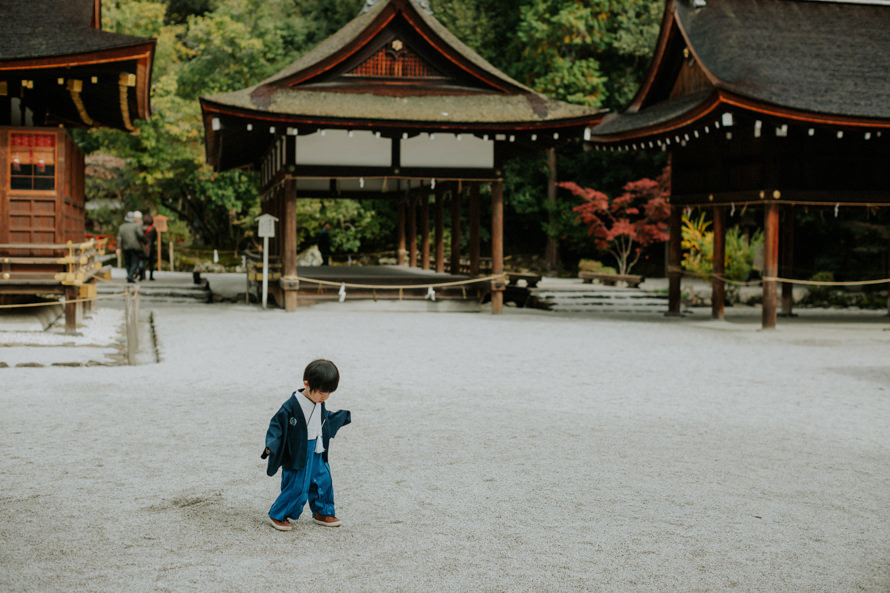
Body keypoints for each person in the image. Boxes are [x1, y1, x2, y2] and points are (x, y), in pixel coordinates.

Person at [262, 359, 351, 531]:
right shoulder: (291, 407)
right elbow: (277, 425)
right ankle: (278, 514)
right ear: (307, 384)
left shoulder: (319, 402)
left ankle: (323, 511)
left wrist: (339, 418)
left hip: (317, 446)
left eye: (328, 394)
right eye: (321, 393)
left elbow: (323, 418)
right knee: (298, 484)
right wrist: (271, 445)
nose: (324, 397)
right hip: (298, 450)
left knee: (322, 478)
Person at [116, 210, 146, 283]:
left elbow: (119, 238)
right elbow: (141, 235)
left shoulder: (122, 227)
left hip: (125, 247)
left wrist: (118, 248)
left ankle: (130, 275)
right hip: (135, 247)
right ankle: (130, 276)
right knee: (134, 262)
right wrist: (144, 241)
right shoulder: (136, 226)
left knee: (127, 263)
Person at [140, 214, 158, 281]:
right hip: (150, 247)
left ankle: (142, 276)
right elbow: (154, 238)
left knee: (142, 261)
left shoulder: (141, 228)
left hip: (142, 247)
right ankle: (151, 276)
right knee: (151, 262)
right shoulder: (153, 229)